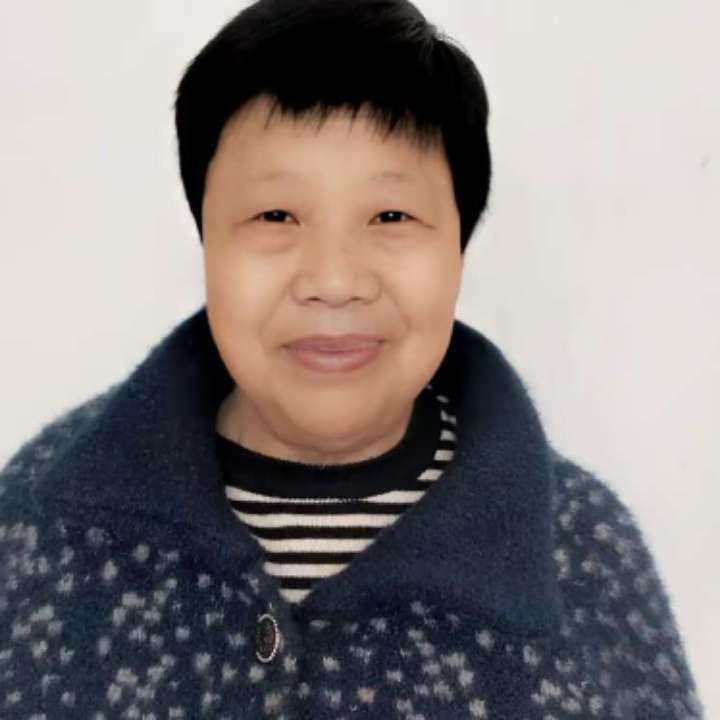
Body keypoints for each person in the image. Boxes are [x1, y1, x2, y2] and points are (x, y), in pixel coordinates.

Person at [0, 0, 705, 717]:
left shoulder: (583, 551)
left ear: (459, 246)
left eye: (391, 216)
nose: (334, 280)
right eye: (276, 215)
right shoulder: (38, 522)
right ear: (206, 237)